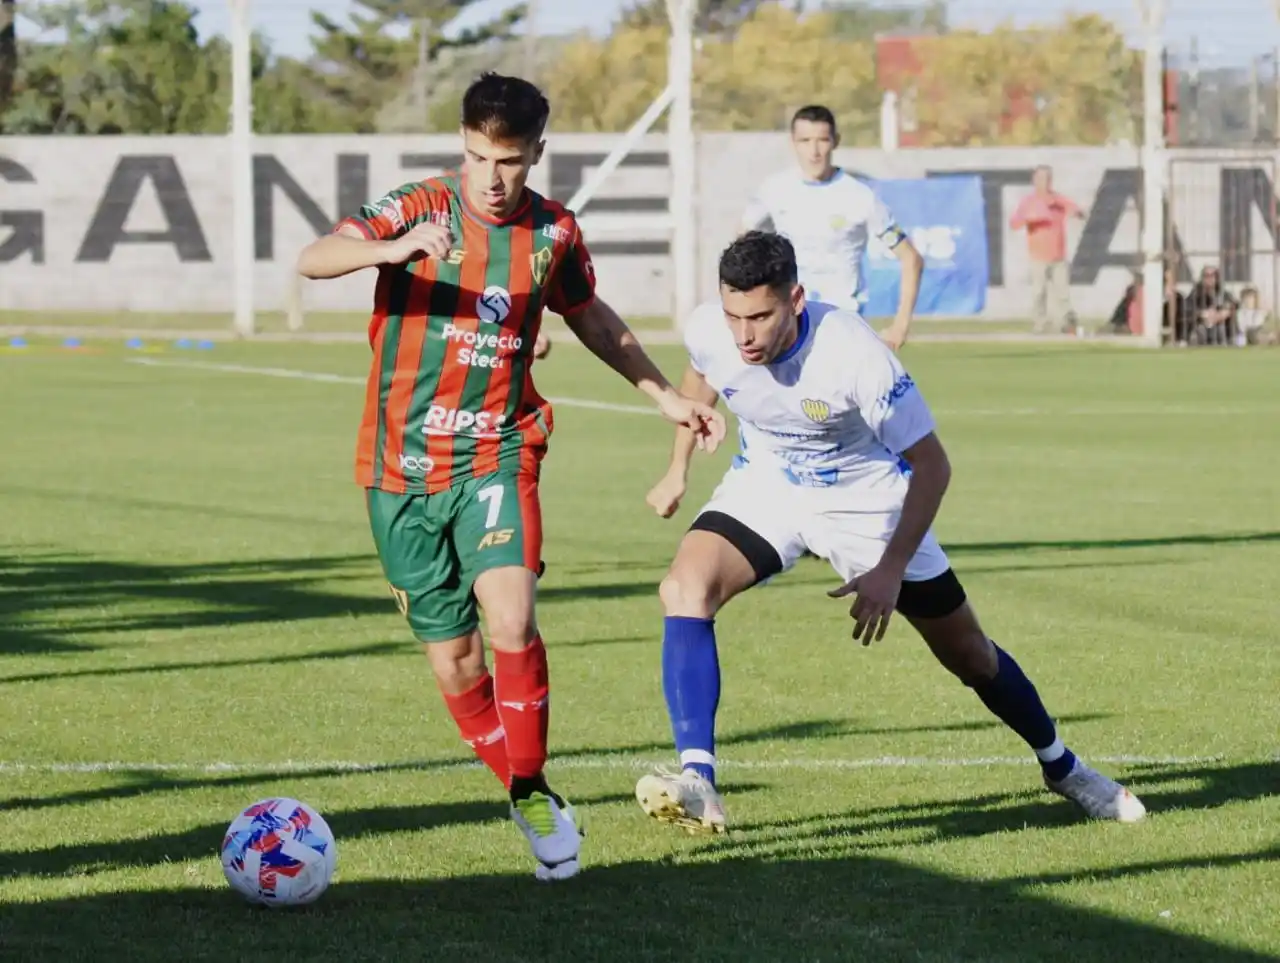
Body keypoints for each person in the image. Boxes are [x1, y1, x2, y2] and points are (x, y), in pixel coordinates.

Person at [296, 72, 725, 880]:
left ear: (536, 153)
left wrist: (665, 394)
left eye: (510, 160)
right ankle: (534, 793)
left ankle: (527, 789)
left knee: (512, 617)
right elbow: (314, 257)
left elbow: (589, 314)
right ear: (462, 145)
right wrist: (388, 251)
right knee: (458, 663)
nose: (492, 178)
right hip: (398, 469)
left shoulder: (554, 231)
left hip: (498, 449)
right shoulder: (420, 207)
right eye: (478, 157)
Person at [635, 231, 1147, 835]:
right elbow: (701, 377)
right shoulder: (711, 329)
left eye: (760, 317)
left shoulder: (854, 354)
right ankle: (699, 781)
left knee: (970, 656)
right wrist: (678, 467)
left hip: (866, 501)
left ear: (796, 299)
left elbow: (934, 467)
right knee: (684, 589)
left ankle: (1064, 768)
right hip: (768, 486)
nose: (743, 334)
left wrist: (890, 569)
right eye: (733, 316)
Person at [741, 104, 923, 351]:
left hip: (842, 324)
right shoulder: (774, 190)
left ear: (836, 141)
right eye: (805, 141)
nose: (814, 151)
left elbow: (911, 258)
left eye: (822, 140)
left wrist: (900, 326)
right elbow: (741, 245)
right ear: (793, 143)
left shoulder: (859, 196)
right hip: (789, 324)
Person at [1008, 165, 1085, 335]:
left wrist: (1076, 212)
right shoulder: (1028, 202)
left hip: (1058, 256)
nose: (1045, 182)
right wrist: (1030, 219)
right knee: (1038, 292)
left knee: (1063, 293)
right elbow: (1014, 223)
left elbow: (1077, 210)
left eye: (1048, 178)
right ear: (1034, 180)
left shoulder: (1057, 200)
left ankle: (1066, 324)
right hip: (1038, 256)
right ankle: (1040, 324)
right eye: (1042, 178)